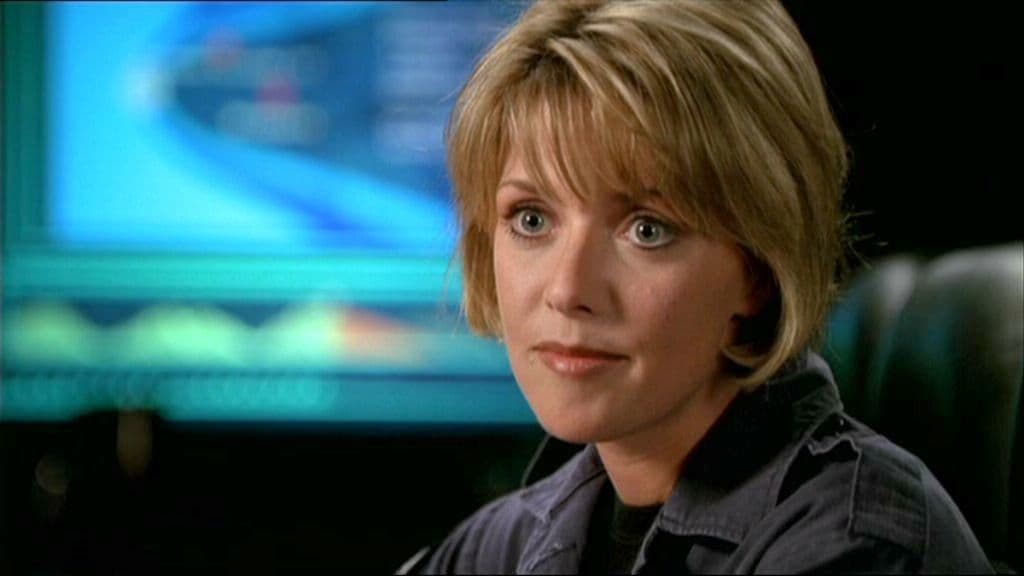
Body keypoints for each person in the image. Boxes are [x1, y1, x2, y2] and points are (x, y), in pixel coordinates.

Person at [409, 0, 993, 573]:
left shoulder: (853, 547)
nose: (567, 290)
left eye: (647, 229)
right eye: (532, 219)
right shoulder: (509, 542)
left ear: (759, 269)